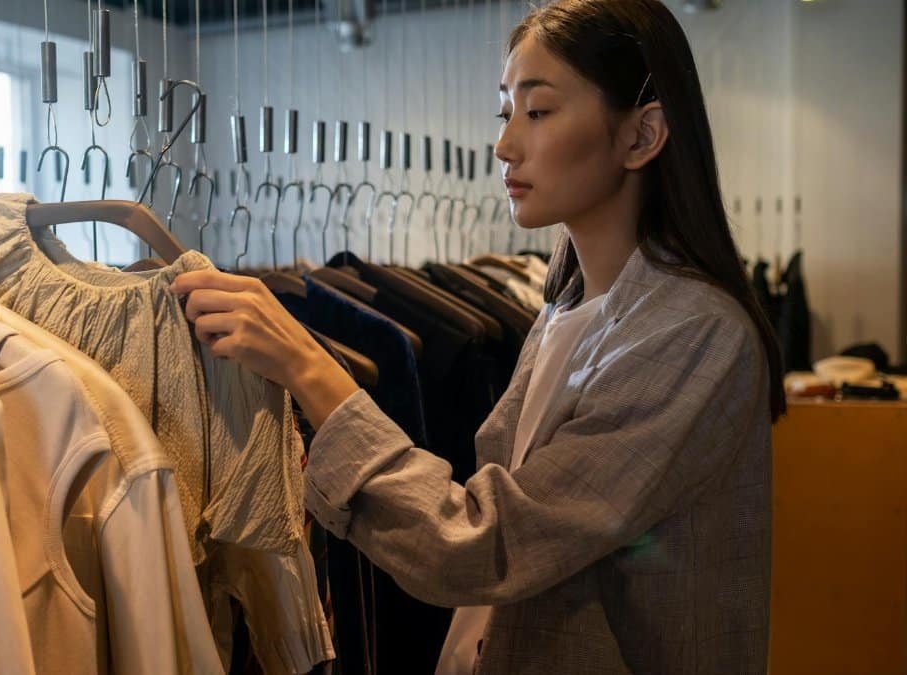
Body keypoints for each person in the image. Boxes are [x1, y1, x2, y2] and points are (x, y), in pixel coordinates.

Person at [170, 0, 786, 672]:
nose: (504, 145)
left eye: (539, 111)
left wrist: (309, 367)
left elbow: (482, 544)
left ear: (642, 135)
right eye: (506, 112)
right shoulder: (563, 309)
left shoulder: (693, 334)